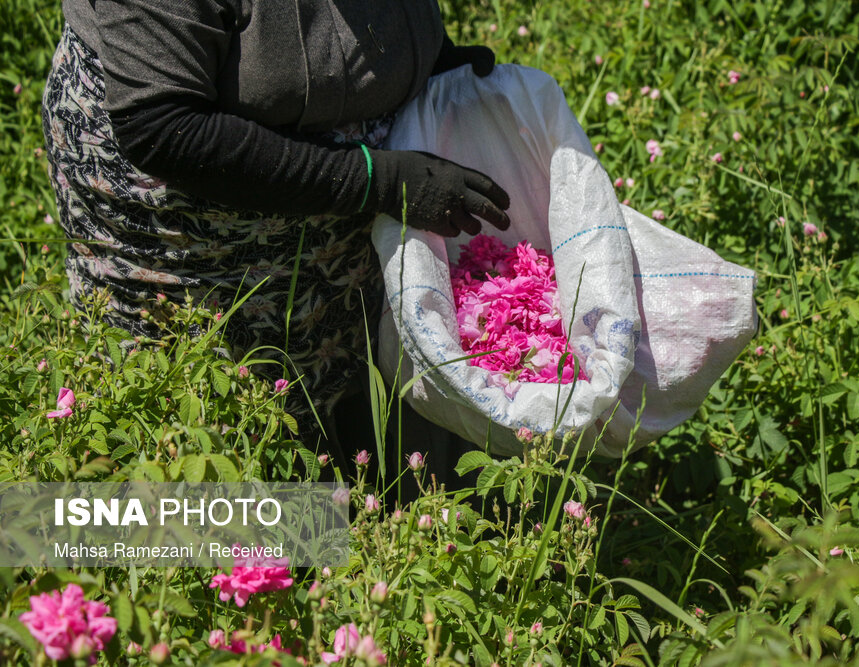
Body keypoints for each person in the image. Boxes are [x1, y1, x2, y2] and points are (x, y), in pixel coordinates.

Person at [42, 1, 511, 467]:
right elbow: (163, 126)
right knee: (227, 424)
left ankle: (369, 494)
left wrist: (425, 55)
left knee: (359, 393)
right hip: (198, 224)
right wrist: (377, 181)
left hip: (350, 215)